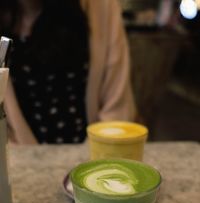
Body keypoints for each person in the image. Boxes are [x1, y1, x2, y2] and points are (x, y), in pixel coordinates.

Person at [0, 0, 137, 144]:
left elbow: (117, 111)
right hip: (20, 159)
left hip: (96, 154)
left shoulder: (101, 6)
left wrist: (92, 160)